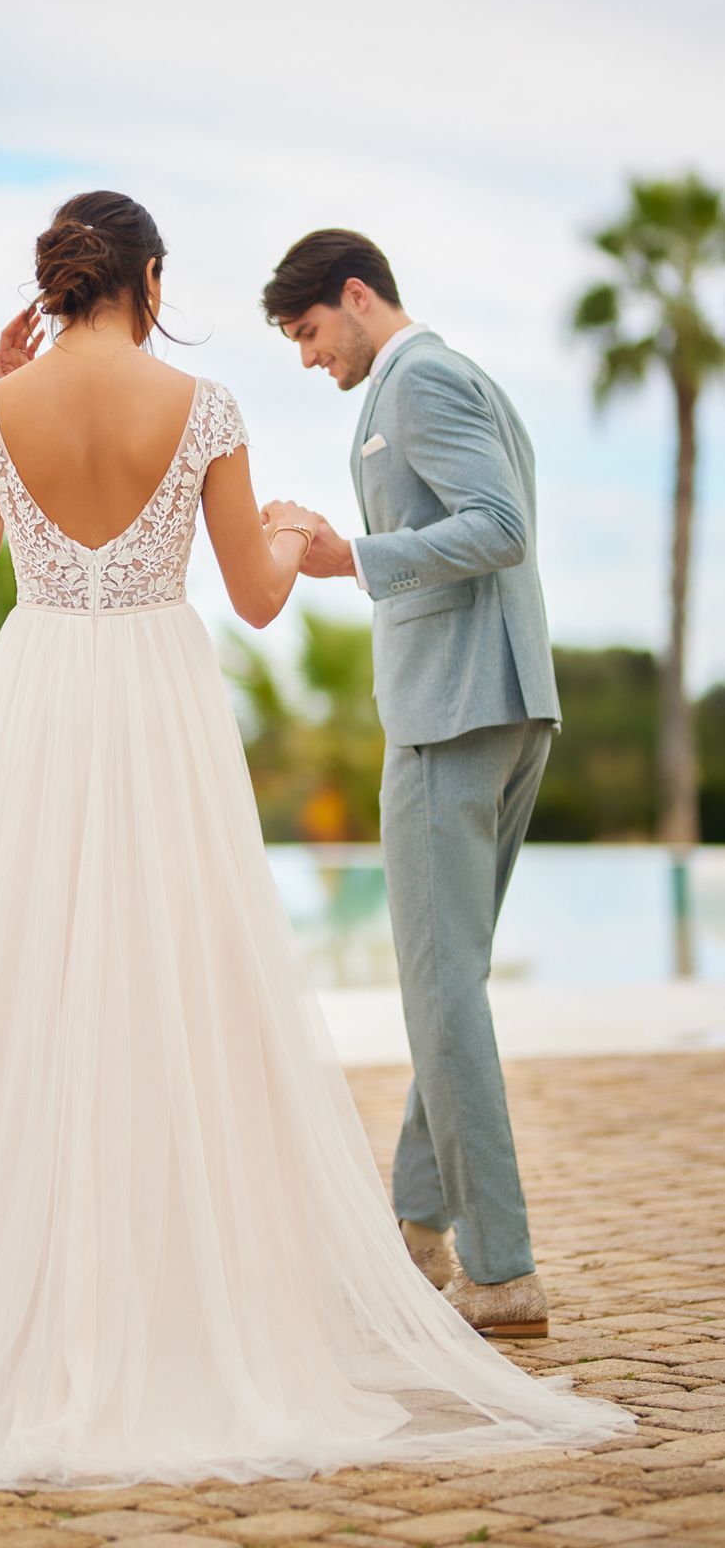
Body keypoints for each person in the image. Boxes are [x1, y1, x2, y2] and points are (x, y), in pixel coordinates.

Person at [0, 192, 631, 1492]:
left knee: (27, 979)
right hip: (160, 704)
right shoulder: (205, 409)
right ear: (150, 277)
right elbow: (251, 594)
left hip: (41, 700)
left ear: (53, 290)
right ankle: (216, 1277)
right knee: (181, 979)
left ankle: (47, 1286)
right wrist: (291, 536)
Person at [261, 228, 562, 1337]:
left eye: (305, 332)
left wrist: (354, 558)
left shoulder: (418, 377)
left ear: (354, 295)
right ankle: (415, 1226)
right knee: (452, 981)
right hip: (504, 701)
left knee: (437, 991)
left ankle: (502, 1266)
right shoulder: (457, 372)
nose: (306, 357)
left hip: (452, 715)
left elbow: (499, 528)